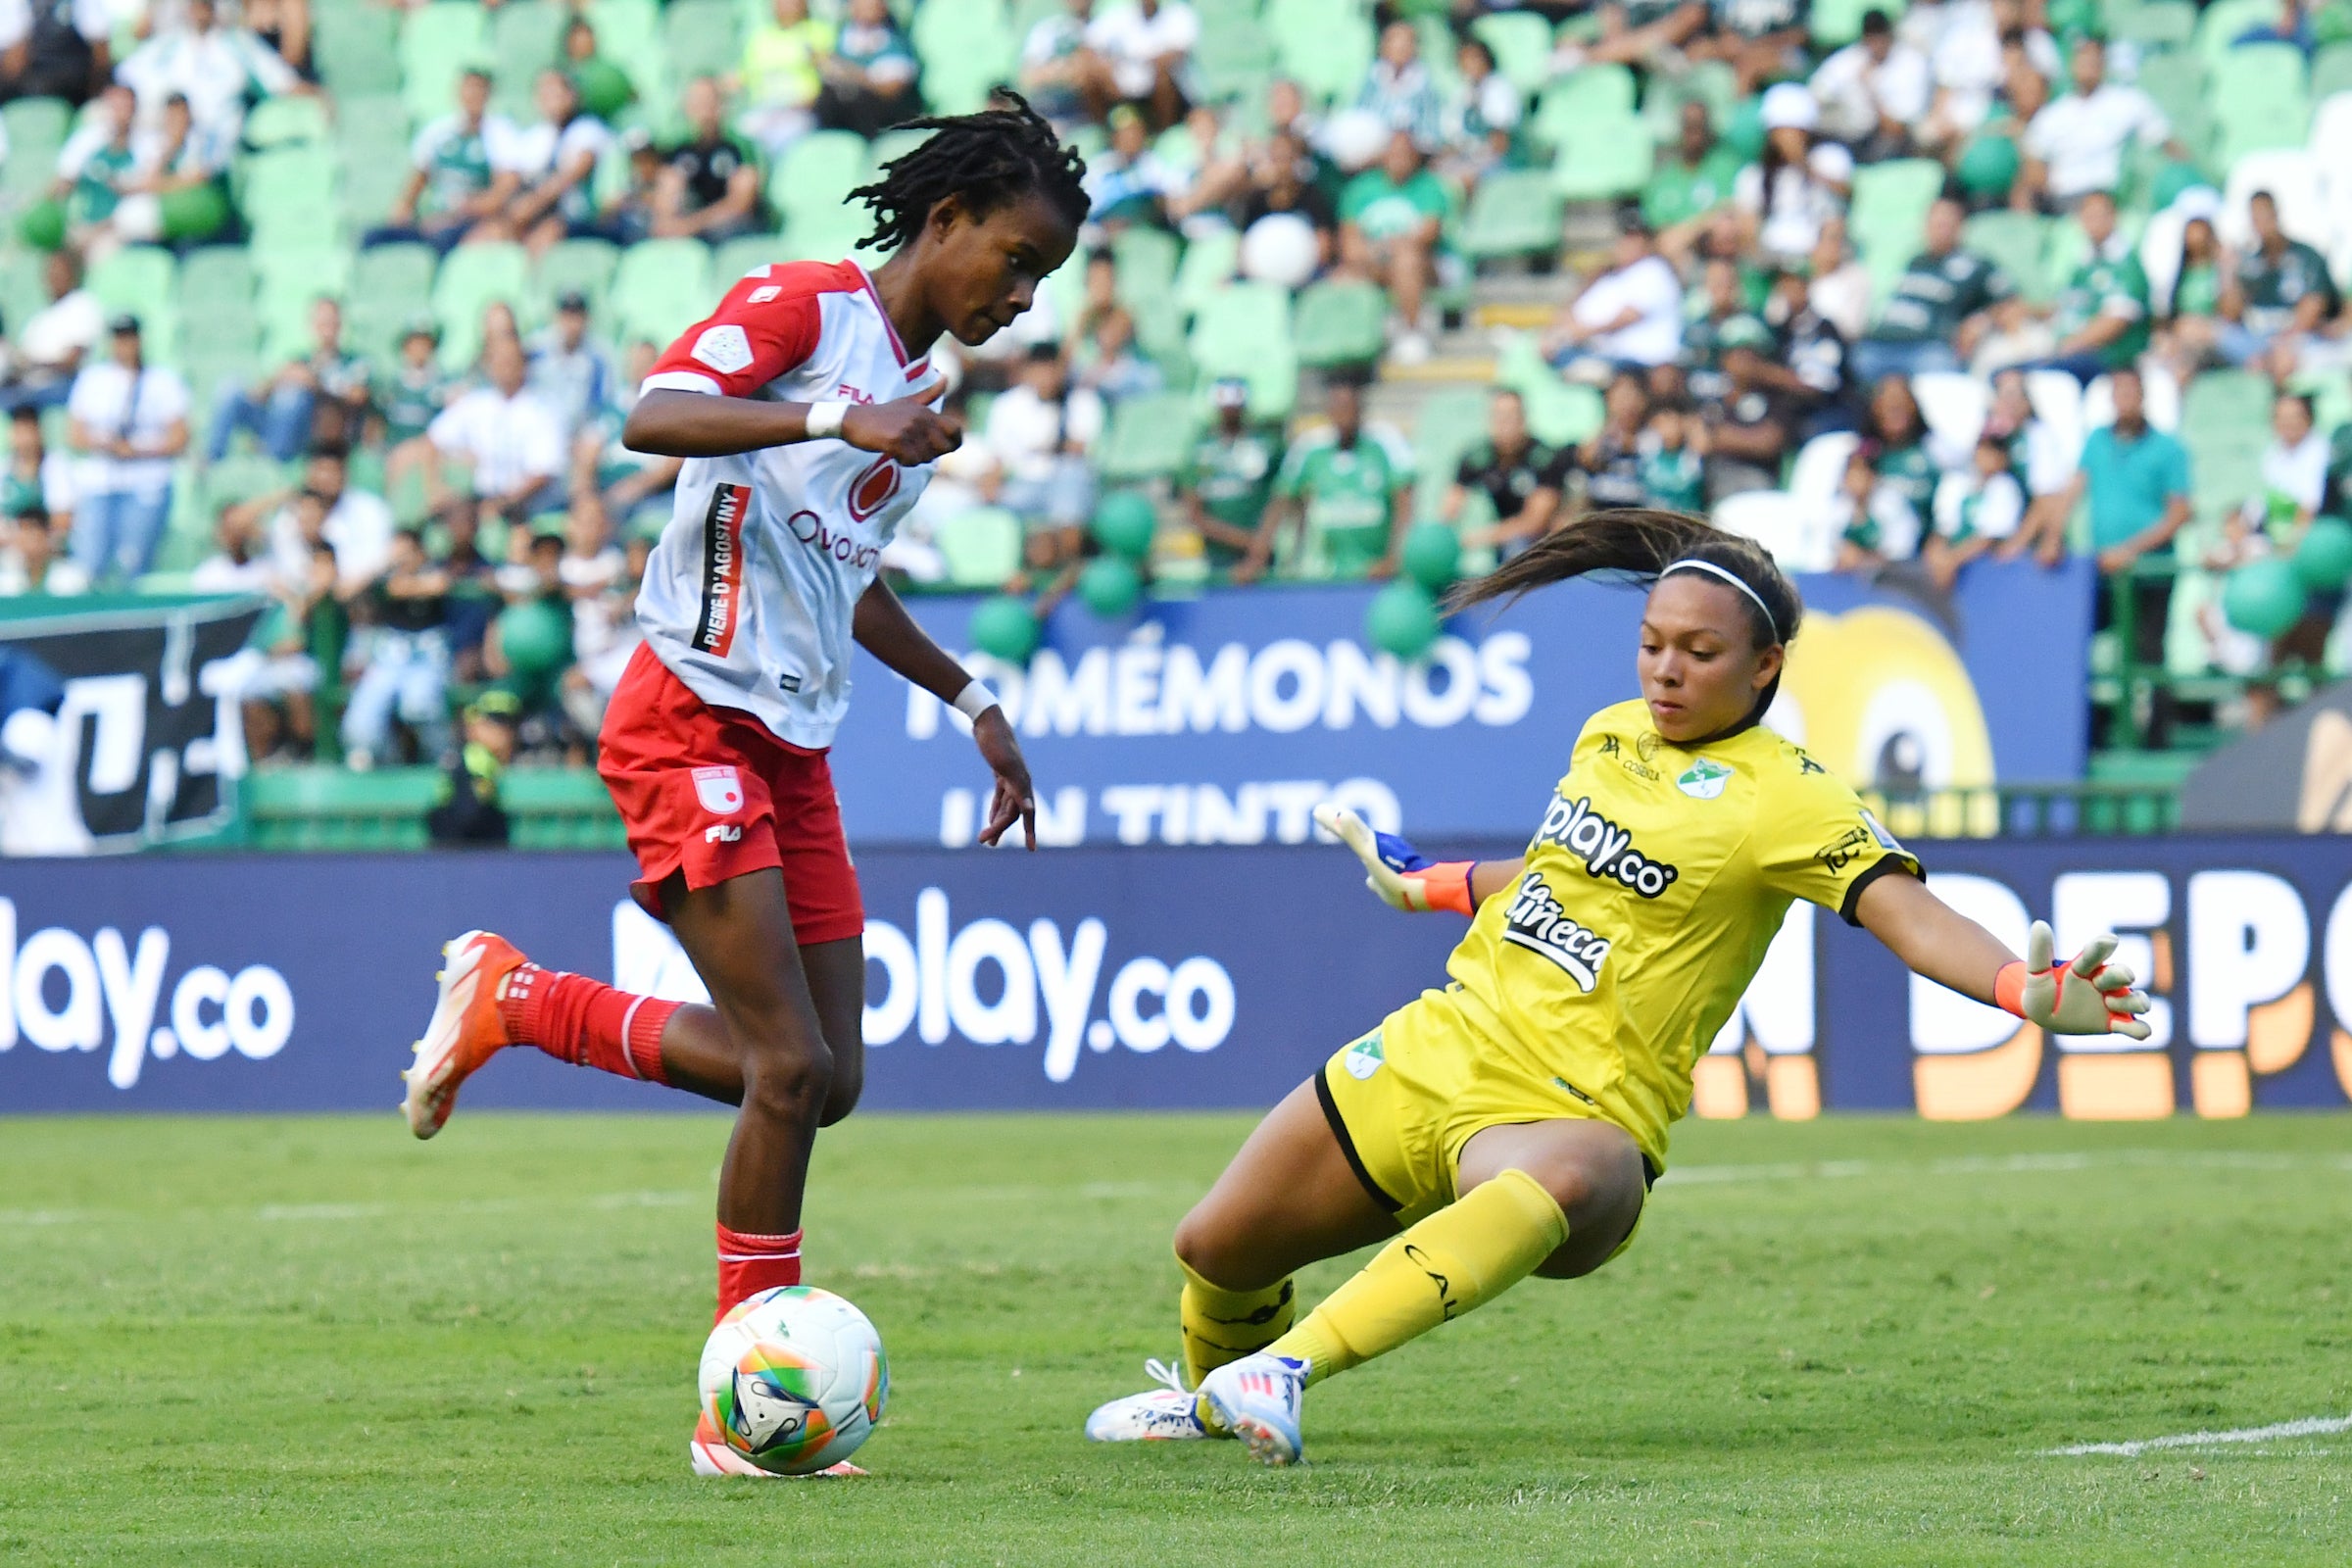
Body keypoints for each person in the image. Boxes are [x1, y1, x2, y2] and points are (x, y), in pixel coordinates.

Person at [1081, 512, 2153, 1464]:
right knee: (1214, 1245)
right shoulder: (1610, 732)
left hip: (1575, 1109)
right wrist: (1429, 883)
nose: (1666, 671)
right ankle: (1214, 1402)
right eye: (1652, 645)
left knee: (1581, 1170)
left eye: (1699, 652)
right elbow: (1556, 869)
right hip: (1443, 1044)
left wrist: (2024, 986)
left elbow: (1905, 913)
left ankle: (1284, 1370)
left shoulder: (1793, 798)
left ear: (1766, 666)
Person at [396, 94, 1082, 1479]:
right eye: (1011, 259)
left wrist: (973, 699)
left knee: (829, 1080)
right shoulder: (803, 308)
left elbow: (842, 569)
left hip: (793, 746)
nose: (1018, 296)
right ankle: (737, 1407)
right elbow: (657, 416)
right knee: (782, 1067)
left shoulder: (918, 401)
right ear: (942, 221)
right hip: (686, 717)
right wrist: (845, 412)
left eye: (1041, 279)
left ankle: (521, 1001)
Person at [2041, 366, 2190, 744]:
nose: (2124, 400)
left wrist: (2131, 550)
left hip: (2149, 570)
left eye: (2131, 392)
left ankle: (2156, 738)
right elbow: (2073, 489)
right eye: (2118, 392)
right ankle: (2090, 730)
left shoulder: (2168, 448)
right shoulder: (2096, 441)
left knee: (2149, 651)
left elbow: (2178, 512)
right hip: (2104, 571)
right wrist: (2053, 535)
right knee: (2080, 644)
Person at [1245, 375, 1414, 582]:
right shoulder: (1311, 448)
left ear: (1361, 410)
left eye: (1349, 407)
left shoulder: (1384, 444)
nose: (1344, 415)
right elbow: (1280, 502)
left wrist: (1394, 559)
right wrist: (1257, 558)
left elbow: (1404, 505)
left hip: (1374, 573)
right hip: (1325, 575)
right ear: (1329, 411)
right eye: (1338, 407)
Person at [65, 314, 187, 584]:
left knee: (132, 565)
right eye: (119, 338)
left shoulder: (161, 381)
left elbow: (180, 437)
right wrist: (108, 445)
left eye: (129, 337)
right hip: (101, 482)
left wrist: (137, 450)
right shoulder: (92, 379)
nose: (124, 344)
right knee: (90, 564)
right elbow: (75, 435)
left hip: (145, 482)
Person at [1854, 196, 2012, 385]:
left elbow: (2011, 301)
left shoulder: (1975, 264)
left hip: (1930, 348)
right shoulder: (1915, 260)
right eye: (1936, 222)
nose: (1940, 229)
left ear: (1961, 227)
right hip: (1880, 345)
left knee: (1940, 371)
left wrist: (1981, 321)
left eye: (1947, 223)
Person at [2014, 35, 2182, 213]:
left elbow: (2162, 138)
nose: (2087, 66)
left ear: (2103, 64)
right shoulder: (2051, 116)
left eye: (2093, 60)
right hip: (2065, 199)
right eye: (2082, 59)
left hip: (2110, 195)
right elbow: (2033, 166)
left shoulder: (2128, 102)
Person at [339, 525, 452, 768]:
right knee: (363, 717)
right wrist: (385, 566)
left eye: (407, 551)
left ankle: (441, 757)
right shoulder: (384, 575)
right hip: (391, 653)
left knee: (419, 704)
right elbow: (344, 591)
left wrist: (402, 586)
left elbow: (439, 584)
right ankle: (384, 758)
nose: (402, 558)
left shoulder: (434, 569)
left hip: (427, 654)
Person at [423, 333, 568, 524]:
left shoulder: (542, 410)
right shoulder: (476, 403)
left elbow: (543, 473)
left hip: (523, 508)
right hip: (477, 501)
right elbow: (434, 439)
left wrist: (499, 504)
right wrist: (435, 486)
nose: (505, 369)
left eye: (510, 362)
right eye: (499, 362)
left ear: (523, 365)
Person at [370, 65, 516, 253]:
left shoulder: (500, 134)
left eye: (478, 89)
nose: (472, 95)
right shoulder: (438, 132)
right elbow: (416, 180)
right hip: (433, 219)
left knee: (441, 243)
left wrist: (460, 210)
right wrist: (403, 210)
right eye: (468, 88)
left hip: (469, 222)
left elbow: (501, 193)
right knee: (375, 238)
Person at [207, 296, 368, 463]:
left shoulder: (354, 362)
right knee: (230, 387)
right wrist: (278, 379)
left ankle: (273, 462)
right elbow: (259, 394)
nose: (326, 327)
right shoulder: (300, 359)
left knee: (292, 397)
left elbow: (358, 396)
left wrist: (314, 384)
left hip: (316, 431)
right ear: (312, 325)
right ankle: (213, 459)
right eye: (321, 321)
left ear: (340, 324)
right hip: (278, 422)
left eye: (331, 321)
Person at [1337, 130, 1451, 365]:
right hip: (1374, 263)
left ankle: (1412, 330)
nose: (1400, 158)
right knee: (1341, 277)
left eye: (1405, 152)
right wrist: (1379, 252)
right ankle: (1351, 352)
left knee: (1407, 260)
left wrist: (1385, 248)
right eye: (1394, 152)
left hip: (1425, 264)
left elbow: (1426, 235)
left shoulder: (1429, 187)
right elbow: (1350, 244)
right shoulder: (1361, 190)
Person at [2226, 190, 2345, 382]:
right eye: (2255, 218)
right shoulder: (2249, 263)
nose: (2261, 224)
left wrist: (2281, 343)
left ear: (2275, 214)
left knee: (2282, 360)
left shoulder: (2306, 257)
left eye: (2264, 216)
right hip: (2257, 336)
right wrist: (2228, 273)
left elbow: (2314, 306)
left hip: (2301, 338)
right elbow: (2231, 315)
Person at [1543, 219, 1683, 381]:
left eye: (1635, 239)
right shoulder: (1614, 275)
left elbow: (1627, 317)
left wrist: (1577, 332)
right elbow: (1574, 310)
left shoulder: (1653, 270)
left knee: (1572, 365)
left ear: (1647, 244)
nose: (1627, 244)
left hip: (1642, 362)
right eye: (1625, 238)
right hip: (1605, 353)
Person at [495, 70, 614, 261]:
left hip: (581, 217)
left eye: (556, 92)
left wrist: (532, 203)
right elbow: (514, 177)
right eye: (544, 93)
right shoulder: (536, 136)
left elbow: (574, 173)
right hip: (540, 215)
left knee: (546, 234)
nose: (550, 99)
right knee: (491, 233)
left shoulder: (588, 128)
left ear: (571, 95)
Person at [2034, 190, 2151, 384]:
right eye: (2088, 216)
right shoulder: (2084, 265)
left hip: (2107, 358)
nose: (2093, 222)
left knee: (2038, 375)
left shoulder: (2126, 266)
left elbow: (2114, 323)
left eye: (2100, 215)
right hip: (2068, 352)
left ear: (2114, 217)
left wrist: (2065, 347)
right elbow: (2066, 306)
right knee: (2006, 371)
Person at [1733, 84, 1851, 268]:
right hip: (1772, 258)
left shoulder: (1830, 158)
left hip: (1819, 252)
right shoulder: (1753, 175)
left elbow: (1845, 193)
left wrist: (1802, 164)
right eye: (1779, 132)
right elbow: (1748, 226)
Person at [1445, 387, 1568, 560]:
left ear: (1524, 419)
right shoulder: (1477, 457)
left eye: (1512, 416)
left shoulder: (1545, 458)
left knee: (1518, 546)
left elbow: (1535, 523)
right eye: (1500, 417)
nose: (1506, 425)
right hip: (1502, 538)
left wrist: (1480, 537)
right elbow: (1449, 508)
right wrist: (1443, 536)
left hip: (1545, 544)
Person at [1179, 376, 1282, 578]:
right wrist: (1248, 541)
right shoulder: (1200, 450)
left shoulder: (1267, 445)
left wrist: (1262, 541)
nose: (1230, 410)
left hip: (1262, 554)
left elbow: (1282, 496)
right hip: (1218, 557)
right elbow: (1195, 512)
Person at [1808, 9, 1930, 160]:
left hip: (1885, 140)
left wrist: (1870, 89)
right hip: (1845, 133)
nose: (1875, 44)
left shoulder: (1911, 63)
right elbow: (1817, 93)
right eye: (1870, 37)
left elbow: (1897, 129)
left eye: (1879, 36)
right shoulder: (1851, 58)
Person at [659, 77, 766, 244]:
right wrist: (669, 223)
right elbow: (666, 194)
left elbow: (741, 203)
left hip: (727, 227)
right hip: (689, 226)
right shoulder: (678, 147)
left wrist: (690, 225)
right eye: (697, 101)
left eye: (709, 100)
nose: (703, 108)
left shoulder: (740, 147)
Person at [0, 252, 103, 413]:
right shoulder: (40, 320)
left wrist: (33, 363)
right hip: (31, 384)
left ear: (72, 274)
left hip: (64, 386)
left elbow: (72, 361)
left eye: (60, 271)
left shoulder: (82, 305)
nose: (55, 277)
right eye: (52, 272)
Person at [734, 0, 834, 158]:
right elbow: (744, 77)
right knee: (741, 135)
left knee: (785, 141)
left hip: (800, 110)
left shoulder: (819, 32)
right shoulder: (760, 38)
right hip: (765, 108)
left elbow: (830, 73)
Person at [814, 0, 921, 140]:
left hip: (878, 120)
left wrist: (851, 74)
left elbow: (892, 89)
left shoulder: (894, 44)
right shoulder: (841, 40)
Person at [528, 290, 617, 451]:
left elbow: (603, 404)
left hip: (579, 432)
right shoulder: (535, 350)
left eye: (577, 316)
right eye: (567, 316)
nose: (572, 324)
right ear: (556, 317)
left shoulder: (599, 356)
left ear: (586, 319)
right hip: (539, 430)